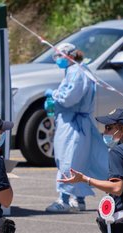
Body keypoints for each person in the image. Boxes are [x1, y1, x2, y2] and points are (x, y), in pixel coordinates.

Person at [45, 42, 108, 213]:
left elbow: (69, 98)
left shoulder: (76, 72)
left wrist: (54, 94)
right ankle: (79, 200)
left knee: (68, 160)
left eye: (59, 56)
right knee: (80, 160)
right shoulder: (80, 70)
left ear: (69, 55)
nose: (57, 60)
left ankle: (64, 200)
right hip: (78, 123)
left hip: (72, 124)